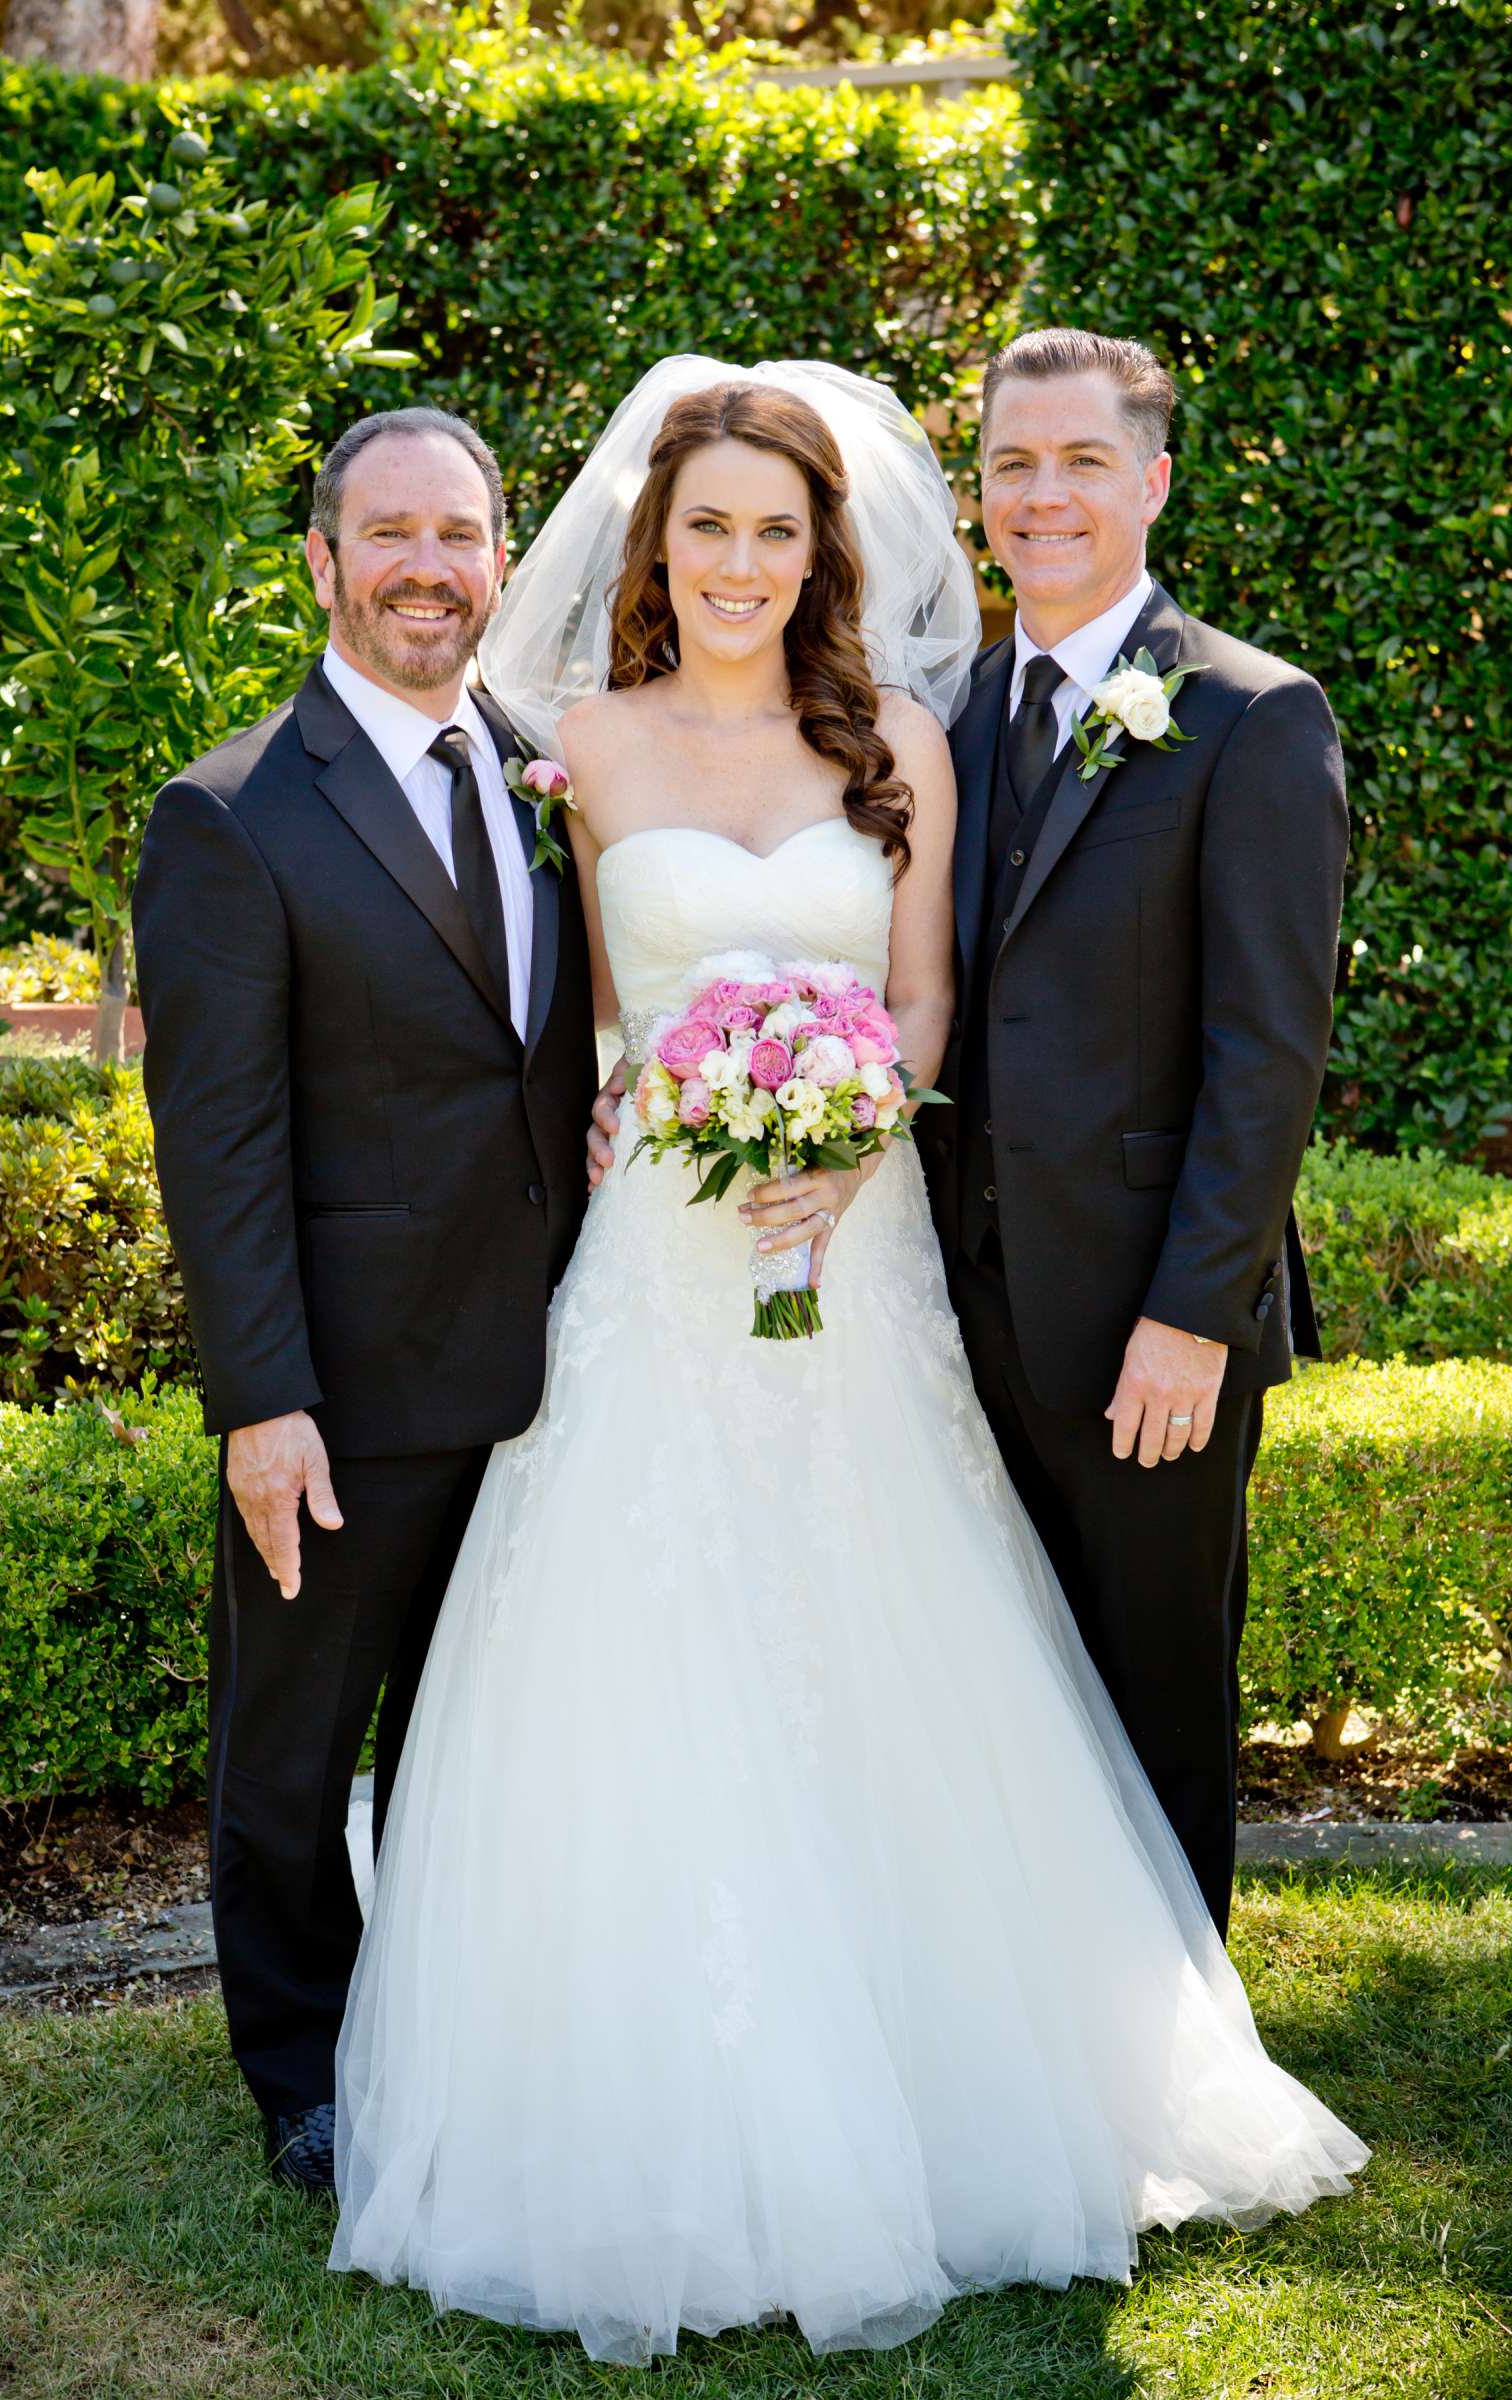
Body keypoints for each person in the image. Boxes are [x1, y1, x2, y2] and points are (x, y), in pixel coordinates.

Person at [327, 360, 1366, 2364]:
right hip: (650, 1277)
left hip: (857, 1251)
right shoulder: (578, 747)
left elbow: (928, 998)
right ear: (656, 546)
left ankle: (1017, 2060)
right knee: (634, 1655)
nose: (735, 561)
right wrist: (638, 1098)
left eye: (772, 532)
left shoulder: (902, 735)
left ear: (826, 557)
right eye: (703, 527)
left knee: (916, 1639)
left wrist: (847, 1121)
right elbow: (553, 1014)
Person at [131, 407, 597, 2195]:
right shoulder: (234, 814)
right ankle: (303, 2071)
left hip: (551, 1366)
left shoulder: (557, 767)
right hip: (341, 1380)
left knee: (482, 1736)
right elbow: (221, 1147)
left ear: (498, 555)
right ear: (323, 562)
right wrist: (263, 1402)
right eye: (387, 535)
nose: (427, 568)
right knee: (297, 1743)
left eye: (459, 535)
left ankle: (457, 2024)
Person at [915, 329, 1350, 1937]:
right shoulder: (947, 716)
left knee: (1155, 1696)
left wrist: (1191, 1316)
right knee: (1007, 1700)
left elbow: (1267, 1050)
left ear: (1152, 480)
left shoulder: (1251, 717)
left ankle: (1176, 2048)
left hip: (1151, 1320)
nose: (1044, 496)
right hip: (958, 1311)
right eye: (1013, 463)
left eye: (1083, 461)